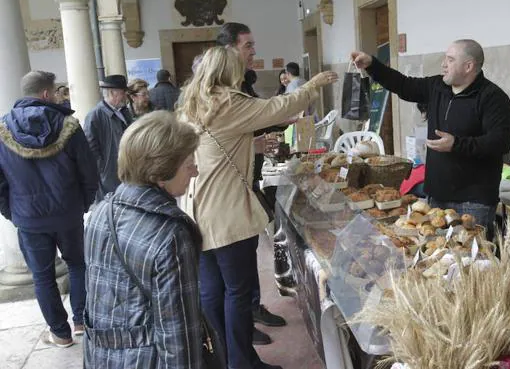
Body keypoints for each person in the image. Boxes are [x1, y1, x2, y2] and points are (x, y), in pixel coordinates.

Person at [178, 46, 337, 369]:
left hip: (196, 210)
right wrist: (313, 85)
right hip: (227, 213)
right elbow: (279, 106)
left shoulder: (192, 105)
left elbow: (210, 147)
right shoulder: (229, 101)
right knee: (237, 293)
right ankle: (241, 362)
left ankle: (228, 359)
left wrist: (249, 145)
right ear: (230, 71)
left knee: (212, 292)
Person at [351, 39, 510, 234]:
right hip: (436, 196)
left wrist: (457, 144)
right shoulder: (437, 86)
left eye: (450, 60)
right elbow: (403, 85)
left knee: (471, 259)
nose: (443, 64)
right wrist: (372, 65)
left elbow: (499, 142)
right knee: (437, 256)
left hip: (473, 202)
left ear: (468, 66)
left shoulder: (492, 98)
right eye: (445, 58)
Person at [83, 111, 206, 368]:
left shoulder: (100, 213)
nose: (195, 172)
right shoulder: (171, 236)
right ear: (161, 174)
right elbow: (178, 335)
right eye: (188, 164)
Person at [0, 70, 98, 347]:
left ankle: (60, 333)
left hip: (29, 219)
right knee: (78, 265)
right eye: (55, 91)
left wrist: (13, 212)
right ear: (45, 94)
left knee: (43, 277)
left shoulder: (3, 130)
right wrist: (83, 204)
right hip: (68, 213)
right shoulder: (68, 125)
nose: (57, 95)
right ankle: (81, 321)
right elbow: (89, 172)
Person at [215, 21, 287, 346]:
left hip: (246, 178)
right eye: (248, 46)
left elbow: (247, 128)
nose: (254, 52)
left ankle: (250, 313)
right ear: (230, 49)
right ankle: (241, 333)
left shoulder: (242, 83)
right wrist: (280, 117)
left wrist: (261, 138)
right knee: (234, 277)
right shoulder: (224, 92)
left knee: (246, 260)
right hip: (229, 192)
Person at [84, 74, 135, 203]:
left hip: (126, 168)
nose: (125, 96)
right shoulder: (95, 115)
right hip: (109, 175)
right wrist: (103, 170)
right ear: (112, 93)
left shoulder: (124, 111)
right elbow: (90, 147)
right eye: (123, 92)